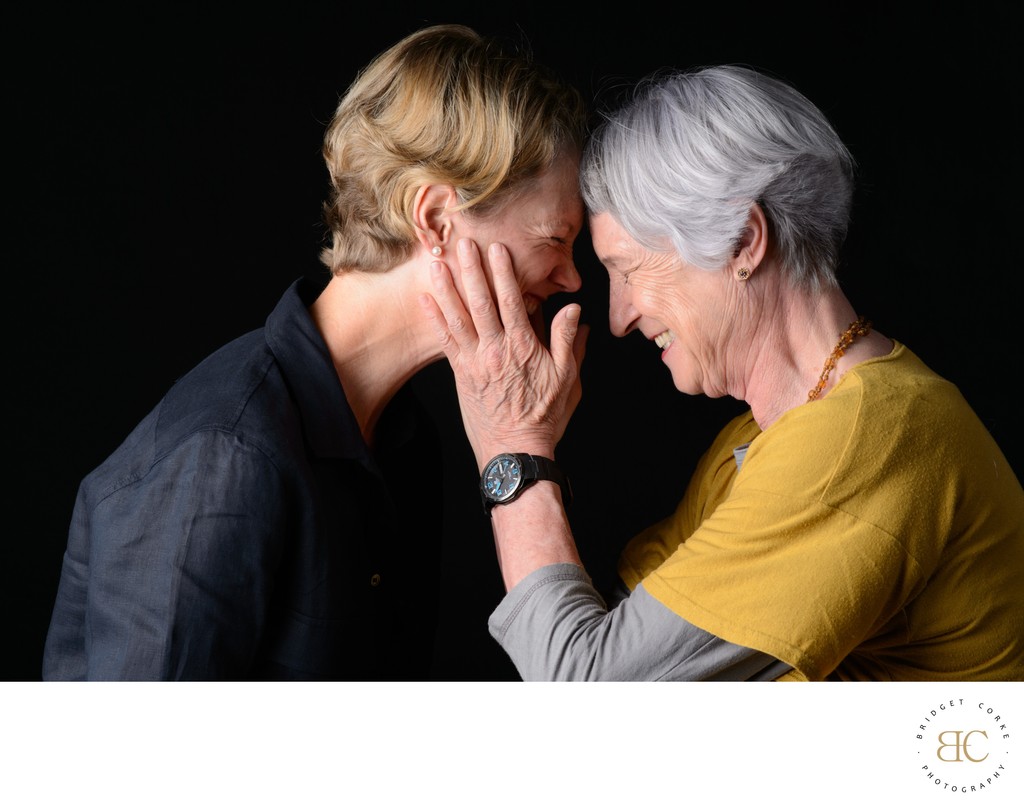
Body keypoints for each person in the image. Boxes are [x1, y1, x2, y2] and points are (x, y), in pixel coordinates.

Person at [420, 64, 1024, 681]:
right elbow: (616, 636)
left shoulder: (860, 441)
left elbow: (586, 694)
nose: (619, 317)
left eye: (629, 270)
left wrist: (513, 446)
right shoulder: (755, 444)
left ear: (743, 240)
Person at [42, 24, 587, 680]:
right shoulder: (226, 453)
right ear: (437, 219)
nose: (572, 278)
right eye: (556, 238)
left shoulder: (405, 444)